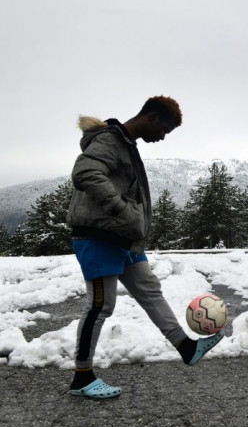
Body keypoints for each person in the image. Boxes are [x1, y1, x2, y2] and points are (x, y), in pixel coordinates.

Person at [66, 96, 224, 399]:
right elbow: (85, 172)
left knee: (150, 290)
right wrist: (121, 209)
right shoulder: (110, 141)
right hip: (99, 237)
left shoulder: (126, 143)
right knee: (100, 305)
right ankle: (82, 378)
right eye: (164, 129)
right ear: (151, 117)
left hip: (124, 239)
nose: (162, 137)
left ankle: (186, 347)